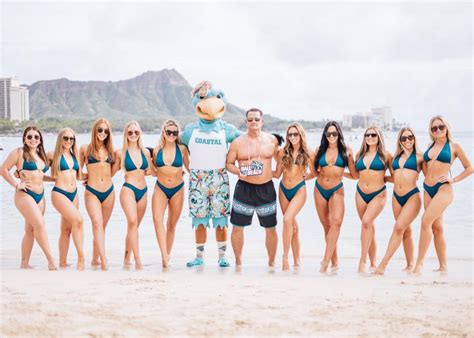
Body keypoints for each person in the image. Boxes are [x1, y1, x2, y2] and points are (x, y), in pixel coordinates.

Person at [181, 81, 241, 268]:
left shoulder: (227, 129)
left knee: (221, 220)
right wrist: (185, 166)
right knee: (199, 219)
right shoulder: (191, 129)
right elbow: (176, 145)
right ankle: (199, 257)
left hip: (219, 178)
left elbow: (247, 142)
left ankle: (222, 256)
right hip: (197, 179)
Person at [413, 116, 473, 275]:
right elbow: (425, 165)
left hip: (444, 189)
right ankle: (443, 266)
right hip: (427, 188)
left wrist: (453, 179)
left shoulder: (454, 147)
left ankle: (418, 265)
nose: (438, 130)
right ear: (431, 131)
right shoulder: (429, 145)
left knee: (425, 221)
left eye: (441, 127)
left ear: (446, 127)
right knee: (437, 228)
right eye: (434, 128)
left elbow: (469, 168)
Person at [227, 108, 280, 267]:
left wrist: (282, 173)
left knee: (270, 227)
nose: (253, 122)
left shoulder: (272, 140)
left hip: (266, 189)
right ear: (246, 122)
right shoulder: (237, 142)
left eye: (257, 119)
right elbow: (229, 163)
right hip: (244, 188)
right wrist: (238, 172)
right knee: (237, 227)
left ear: (262, 121)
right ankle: (238, 262)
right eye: (250, 120)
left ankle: (271, 263)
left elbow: (282, 159)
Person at [0, 126, 57, 270]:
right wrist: (16, 185)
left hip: (40, 196)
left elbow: (39, 176)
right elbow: (3, 169)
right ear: (24, 138)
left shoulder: (40, 156)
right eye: (29, 136)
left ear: (40, 140)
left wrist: (55, 180)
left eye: (36, 137)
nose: (33, 139)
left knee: (30, 230)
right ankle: (51, 260)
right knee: (40, 225)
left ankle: (24, 263)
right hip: (24, 195)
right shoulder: (18, 153)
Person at [374, 128, 423, 275]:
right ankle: (410, 264)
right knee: (405, 230)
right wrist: (379, 178)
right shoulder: (395, 157)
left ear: (414, 138)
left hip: (412, 196)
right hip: (397, 197)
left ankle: (382, 265)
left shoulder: (420, 157)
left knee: (398, 228)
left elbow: (430, 176)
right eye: (404, 138)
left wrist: (446, 182)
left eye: (410, 137)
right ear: (399, 141)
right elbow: (393, 177)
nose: (408, 140)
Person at [310, 121, 356, 273]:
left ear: (339, 134)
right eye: (328, 134)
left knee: (336, 224)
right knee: (327, 227)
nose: (331, 136)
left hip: (337, 189)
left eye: (334, 133)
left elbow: (355, 175)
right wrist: (305, 176)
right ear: (325, 135)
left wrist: (341, 173)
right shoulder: (319, 150)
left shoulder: (347, 151)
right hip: (319, 189)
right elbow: (316, 172)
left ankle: (325, 262)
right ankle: (334, 262)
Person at [347, 126, 392, 273]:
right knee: (368, 226)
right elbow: (355, 175)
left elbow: (395, 176)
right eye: (367, 135)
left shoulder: (386, 156)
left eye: (373, 135)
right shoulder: (360, 154)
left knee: (366, 222)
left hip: (378, 194)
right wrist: (341, 170)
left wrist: (383, 178)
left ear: (379, 137)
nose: (370, 137)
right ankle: (373, 262)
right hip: (360, 193)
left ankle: (362, 261)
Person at [79, 118, 118, 270]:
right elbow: (77, 171)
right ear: (95, 130)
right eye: (100, 130)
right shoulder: (85, 149)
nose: (103, 133)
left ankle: (95, 259)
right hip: (92, 192)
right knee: (96, 223)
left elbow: (112, 172)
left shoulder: (112, 152)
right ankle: (104, 260)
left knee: (102, 227)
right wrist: (87, 177)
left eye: (106, 131)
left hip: (109, 192)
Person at [273, 123, 313, 270]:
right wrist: (258, 172)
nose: (293, 137)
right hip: (283, 190)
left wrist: (305, 177)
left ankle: (284, 257)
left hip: (299, 190)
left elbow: (315, 172)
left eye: (295, 134)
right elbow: (277, 174)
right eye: (290, 135)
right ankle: (297, 262)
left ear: (301, 135)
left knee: (287, 219)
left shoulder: (308, 152)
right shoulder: (284, 152)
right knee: (292, 227)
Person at [151, 120, 189, 268]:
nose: (172, 135)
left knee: (171, 225)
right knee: (156, 219)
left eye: (175, 132)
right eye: (169, 132)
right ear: (163, 133)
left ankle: (167, 256)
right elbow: (153, 172)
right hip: (160, 188)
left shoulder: (182, 149)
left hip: (178, 189)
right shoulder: (156, 150)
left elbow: (190, 168)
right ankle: (164, 256)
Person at [115, 121, 152, 270]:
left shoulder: (146, 152)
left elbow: (150, 171)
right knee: (132, 222)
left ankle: (126, 258)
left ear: (140, 134)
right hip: (128, 189)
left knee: (134, 226)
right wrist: (88, 177)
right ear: (125, 134)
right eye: (130, 132)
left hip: (143, 191)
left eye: (136, 132)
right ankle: (138, 261)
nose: (133, 135)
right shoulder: (120, 153)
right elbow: (109, 171)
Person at [48, 128, 85, 270]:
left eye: (71, 139)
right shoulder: (53, 155)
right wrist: (22, 175)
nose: (69, 141)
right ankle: (81, 258)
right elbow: (37, 170)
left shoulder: (74, 155)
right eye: (66, 138)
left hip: (74, 194)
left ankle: (62, 262)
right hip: (59, 193)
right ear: (60, 139)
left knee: (66, 230)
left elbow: (79, 176)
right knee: (78, 220)